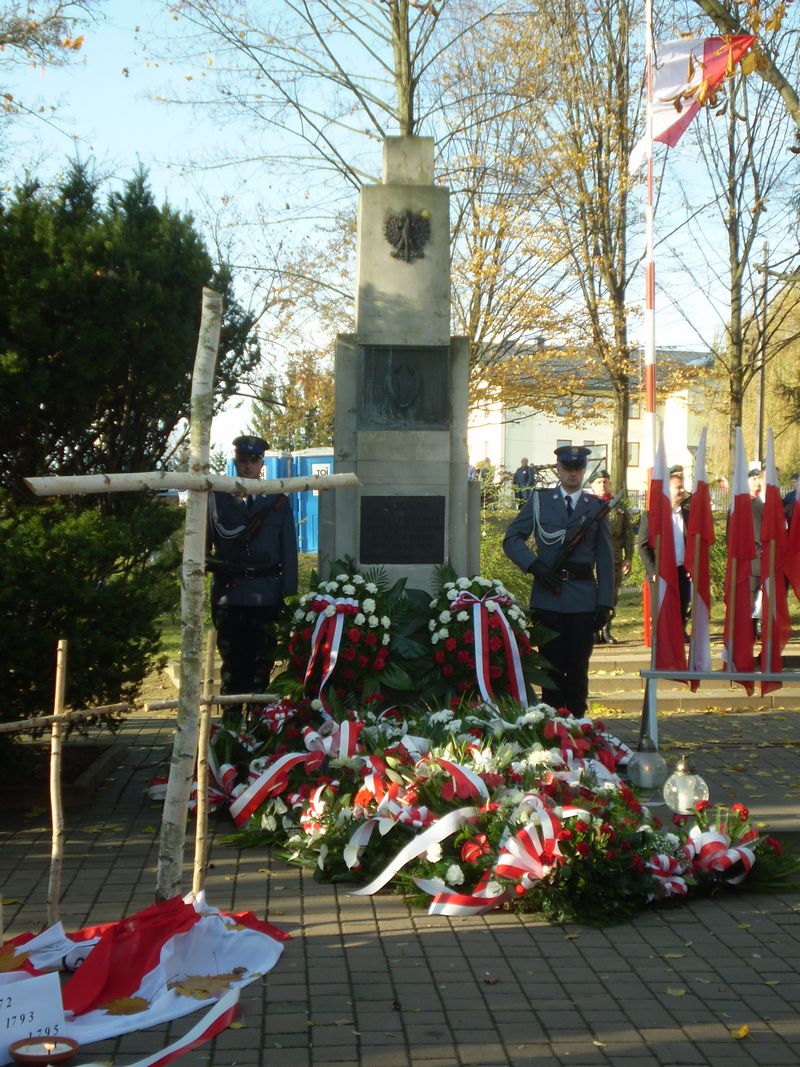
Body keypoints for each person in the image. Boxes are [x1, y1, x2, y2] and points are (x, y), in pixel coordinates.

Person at [503, 445, 614, 714]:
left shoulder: (596, 507)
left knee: (577, 670)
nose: (572, 474)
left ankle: (577, 726)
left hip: (583, 600)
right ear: (558, 469)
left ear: (584, 470)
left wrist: (605, 602)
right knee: (550, 671)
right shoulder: (539, 501)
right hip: (548, 598)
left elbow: (605, 559)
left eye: (578, 468)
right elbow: (512, 539)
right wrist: (534, 566)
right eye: (567, 468)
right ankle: (552, 728)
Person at [207, 434, 298, 723]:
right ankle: (230, 729)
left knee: (262, 668)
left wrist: (287, 594)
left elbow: (289, 550)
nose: (248, 466)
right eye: (242, 460)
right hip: (230, 597)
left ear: (262, 464)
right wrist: (215, 567)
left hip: (266, 595)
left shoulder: (277, 500)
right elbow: (202, 550)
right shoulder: (217, 498)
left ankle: (258, 728)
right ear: (236, 461)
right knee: (233, 668)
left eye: (253, 461)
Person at [637, 464, 691, 640]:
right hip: (661, 573)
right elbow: (643, 546)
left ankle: (679, 638)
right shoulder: (652, 516)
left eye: (682, 487)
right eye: (678, 487)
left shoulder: (687, 515)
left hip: (681, 571)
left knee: (681, 608)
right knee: (662, 615)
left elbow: (692, 544)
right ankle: (661, 644)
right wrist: (653, 572)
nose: (682, 491)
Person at [589, 469, 633, 644]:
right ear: (592, 485)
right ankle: (593, 630)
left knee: (611, 595)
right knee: (592, 595)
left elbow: (628, 534)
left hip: (613, 558)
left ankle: (606, 630)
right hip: (591, 559)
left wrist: (628, 557)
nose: (603, 485)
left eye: (605, 482)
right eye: (599, 482)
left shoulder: (618, 507)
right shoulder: (587, 505)